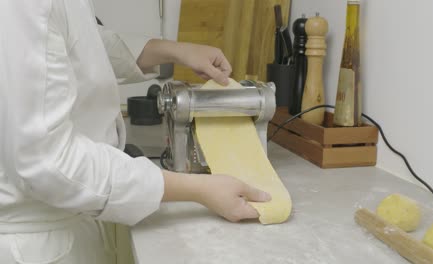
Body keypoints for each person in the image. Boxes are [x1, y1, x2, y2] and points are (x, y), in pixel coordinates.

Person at [0, 0, 271, 263]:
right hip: (40, 243)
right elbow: (49, 163)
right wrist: (199, 189)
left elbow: (85, 43)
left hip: (73, 219)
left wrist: (175, 50)